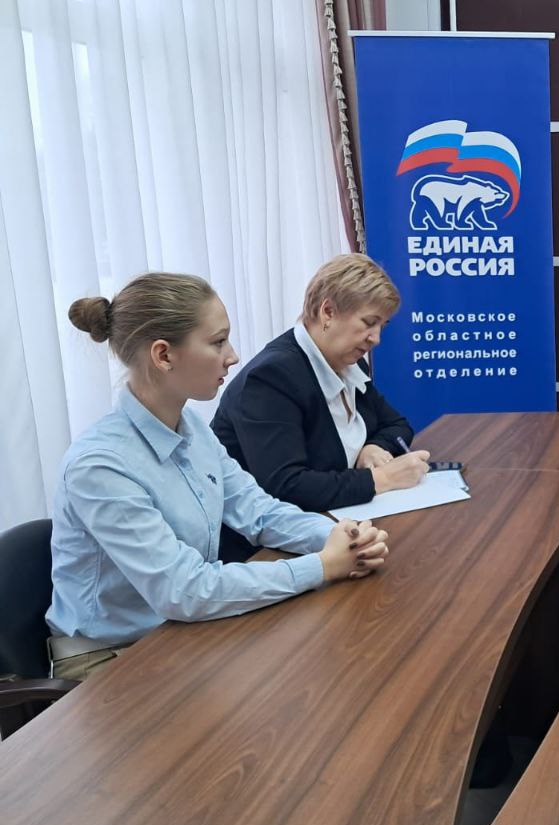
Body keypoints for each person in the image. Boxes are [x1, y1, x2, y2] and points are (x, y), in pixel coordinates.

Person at [49, 273, 389, 682]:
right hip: (110, 660)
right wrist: (321, 566)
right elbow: (184, 590)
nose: (233, 356)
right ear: (163, 355)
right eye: (217, 342)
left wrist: (341, 536)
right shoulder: (100, 465)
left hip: (181, 632)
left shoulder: (191, 426)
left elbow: (258, 511)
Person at [212, 254, 430, 521]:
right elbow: (286, 486)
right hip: (262, 539)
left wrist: (372, 447)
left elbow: (397, 425)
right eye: (368, 323)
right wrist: (381, 478)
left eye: (382, 326)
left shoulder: (350, 363)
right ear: (328, 312)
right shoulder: (271, 377)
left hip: (337, 519)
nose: (376, 339)